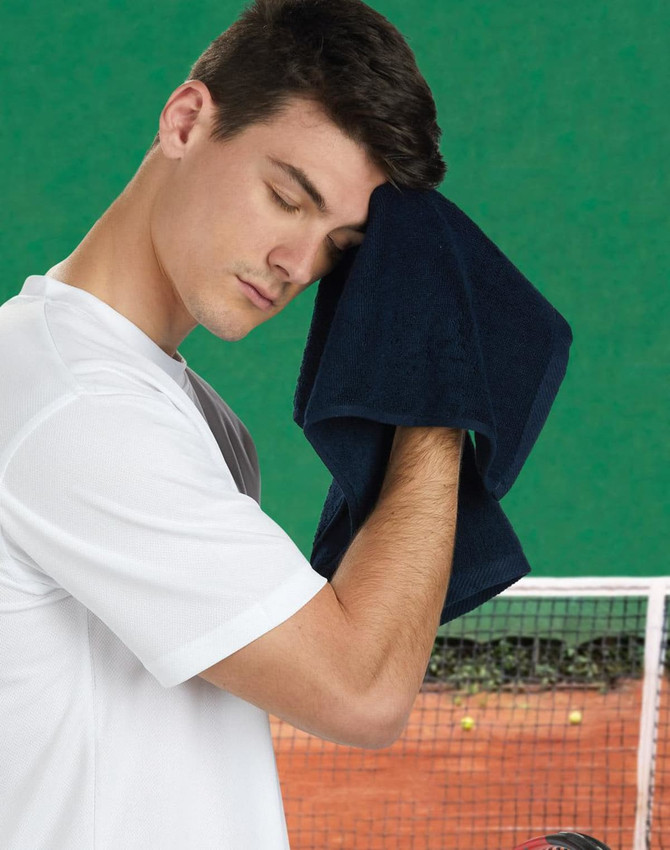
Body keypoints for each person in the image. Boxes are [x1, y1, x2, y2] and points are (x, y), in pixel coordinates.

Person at [0, 0, 465, 846]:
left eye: (341, 245)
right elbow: (359, 691)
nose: (301, 264)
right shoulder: (81, 405)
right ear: (185, 121)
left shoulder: (166, 403)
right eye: (287, 196)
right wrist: (439, 397)